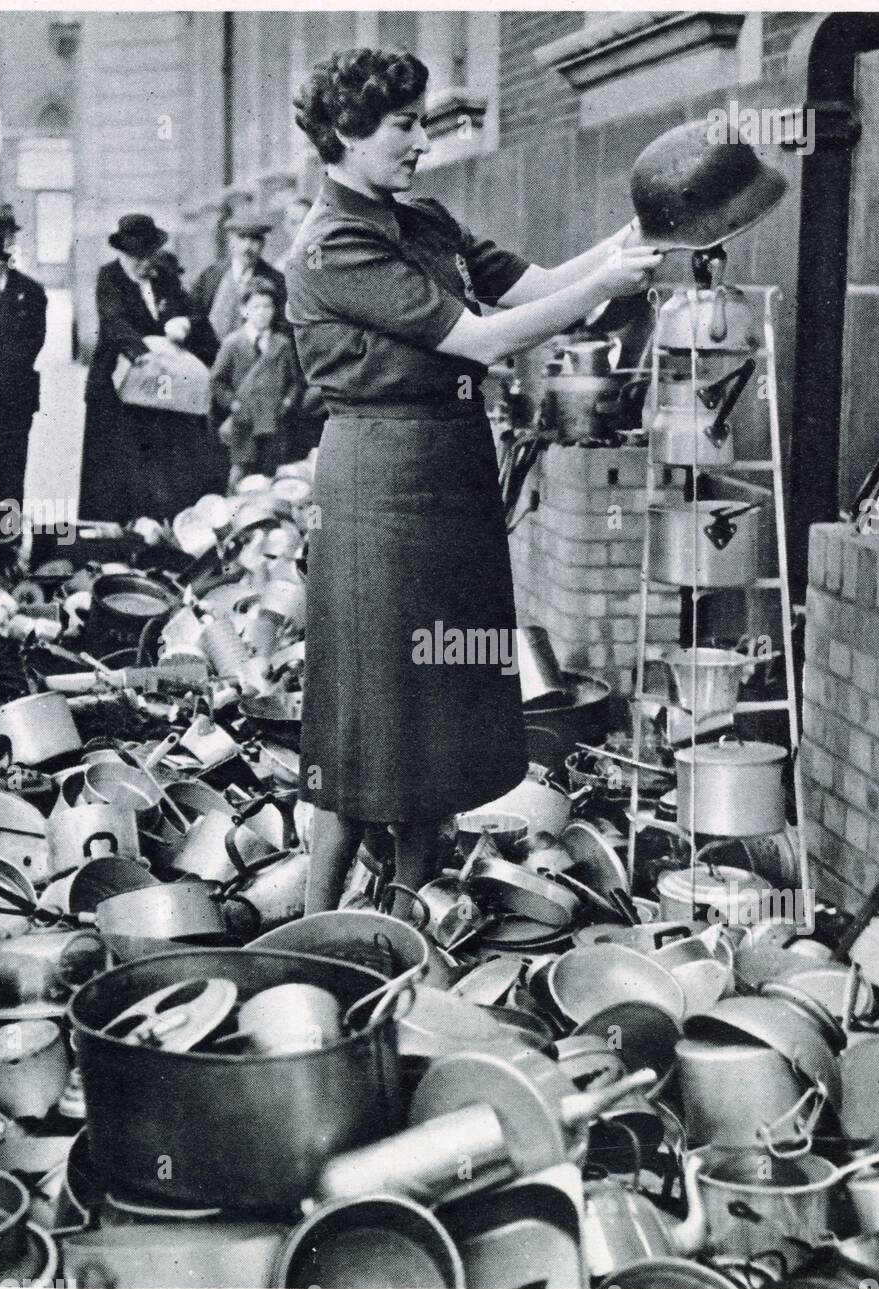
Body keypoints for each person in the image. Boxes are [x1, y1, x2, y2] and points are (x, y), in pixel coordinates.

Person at [288, 48, 661, 916]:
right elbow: (486, 339)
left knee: (442, 706)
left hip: (451, 470)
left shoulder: (422, 220)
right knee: (371, 716)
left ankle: (412, 908)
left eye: (422, 121)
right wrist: (606, 285)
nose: (424, 140)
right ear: (343, 133)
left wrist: (640, 235)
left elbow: (539, 284)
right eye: (403, 125)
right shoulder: (333, 243)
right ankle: (316, 926)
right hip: (380, 485)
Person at [79, 213, 218, 523]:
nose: (144, 263)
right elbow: (114, 322)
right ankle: (115, 537)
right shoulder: (109, 277)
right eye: (136, 256)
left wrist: (184, 323)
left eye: (148, 255)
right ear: (123, 253)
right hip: (117, 388)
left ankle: (159, 529)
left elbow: (194, 313)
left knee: (158, 465)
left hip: (160, 390)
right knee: (115, 470)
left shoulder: (164, 275)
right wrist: (141, 352)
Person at [0, 208, 47, 566]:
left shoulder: (31, 292)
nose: (5, 248)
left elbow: (34, 343)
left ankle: (5, 543)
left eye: (10, 239)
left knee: (10, 472)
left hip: (14, 396)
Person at [210, 278, 300, 485]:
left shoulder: (282, 344)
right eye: (255, 306)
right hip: (244, 421)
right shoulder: (233, 343)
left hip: (273, 421)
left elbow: (294, 382)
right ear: (243, 310)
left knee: (272, 474)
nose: (261, 312)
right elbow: (217, 380)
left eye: (267, 306)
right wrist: (233, 403)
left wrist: (286, 403)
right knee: (240, 474)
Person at [190, 215, 287, 342]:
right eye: (241, 238)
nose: (247, 247)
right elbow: (194, 316)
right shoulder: (210, 276)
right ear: (231, 241)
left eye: (254, 239)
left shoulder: (276, 281)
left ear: (263, 243)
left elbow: (281, 329)